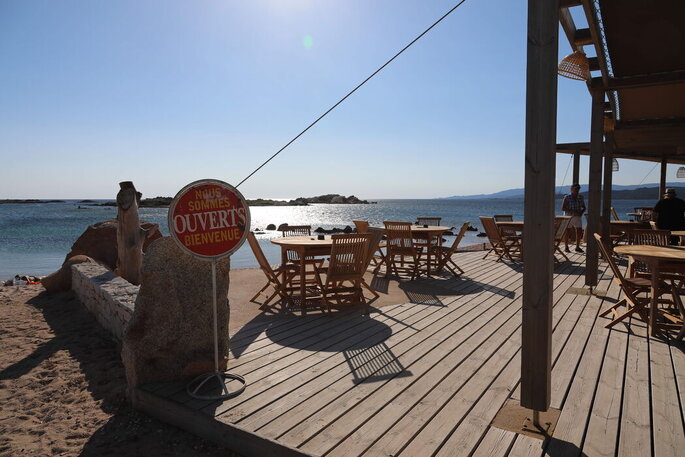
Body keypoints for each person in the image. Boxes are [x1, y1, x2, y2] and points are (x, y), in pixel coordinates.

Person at [562, 183, 586, 253]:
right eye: (576, 189)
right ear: (571, 189)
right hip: (568, 216)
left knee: (579, 231)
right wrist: (574, 211)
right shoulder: (567, 197)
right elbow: (563, 208)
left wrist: (581, 212)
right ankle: (566, 247)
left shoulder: (581, 197)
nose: (577, 190)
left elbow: (584, 207)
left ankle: (577, 247)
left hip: (578, 217)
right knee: (567, 231)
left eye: (578, 189)